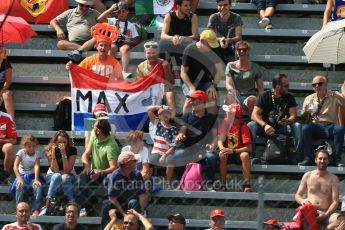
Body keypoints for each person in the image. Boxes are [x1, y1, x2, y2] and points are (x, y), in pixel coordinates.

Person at [248, 74, 301, 159]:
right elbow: (254, 115)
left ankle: (299, 157)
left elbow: (293, 116)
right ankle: (250, 156)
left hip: (282, 127)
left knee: (297, 126)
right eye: (286, 86)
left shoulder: (289, 97)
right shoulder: (265, 95)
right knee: (251, 125)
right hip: (265, 127)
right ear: (277, 87)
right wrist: (264, 125)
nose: (288, 87)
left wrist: (287, 121)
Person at [298, 75, 345, 166]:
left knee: (340, 129)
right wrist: (307, 111)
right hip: (316, 126)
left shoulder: (334, 95)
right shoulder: (309, 98)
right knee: (305, 128)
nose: (316, 86)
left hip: (331, 125)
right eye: (314, 84)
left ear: (326, 84)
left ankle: (336, 159)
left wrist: (338, 96)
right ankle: (308, 158)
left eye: (319, 84)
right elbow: (303, 119)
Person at [174, 90, 218, 185]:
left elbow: (215, 137)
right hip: (188, 149)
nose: (190, 101)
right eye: (190, 99)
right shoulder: (186, 116)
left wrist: (212, 146)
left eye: (194, 99)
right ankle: (179, 182)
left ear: (202, 101)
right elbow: (182, 129)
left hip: (204, 150)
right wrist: (181, 134)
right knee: (177, 155)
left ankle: (209, 184)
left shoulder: (211, 118)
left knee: (212, 157)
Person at [79, 119, 119, 216]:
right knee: (83, 177)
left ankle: (107, 209)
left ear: (98, 131)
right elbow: (85, 155)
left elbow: (113, 167)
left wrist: (100, 172)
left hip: (107, 174)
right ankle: (85, 207)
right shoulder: (94, 138)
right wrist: (87, 165)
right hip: (94, 171)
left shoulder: (111, 145)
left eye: (94, 126)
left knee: (109, 180)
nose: (92, 127)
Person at [100, 151, 147, 229]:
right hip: (117, 207)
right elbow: (112, 198)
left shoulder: (137, 174)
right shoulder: (115, 175)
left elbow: (142, 194)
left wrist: (141, 211)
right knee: (106, 203)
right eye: (134, 161)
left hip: (131, 207)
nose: (136, 162)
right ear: (128, 164)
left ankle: (139, 227)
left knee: (134, 202)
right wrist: (124, 214)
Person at [180, 29, 224, 114]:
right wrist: (191, 87)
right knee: (191, 97)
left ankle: (210, 123)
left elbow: (220, 70)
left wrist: (213, 85)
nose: (211, 47)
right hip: (190, 81)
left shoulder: (214, 49)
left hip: (206, 81)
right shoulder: (189, 49)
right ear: (202, 41)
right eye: (209, 44)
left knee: (212, 96)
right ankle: (185, 123)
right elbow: (183, 72)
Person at [295, 149, 339, 228]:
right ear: (315, 160)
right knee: (302, 221)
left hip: (326, 213)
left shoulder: (334, 178)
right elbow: (298, 195)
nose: (322, 161)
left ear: (328, 161)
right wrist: (302, 200)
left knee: (340, 221)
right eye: (320, 158)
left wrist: (326, 214)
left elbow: (335, 202)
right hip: (309, 212)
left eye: (325, 159)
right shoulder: (307, 175)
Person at [39, 130, 77, 216]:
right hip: (53, 175)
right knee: (57, 176)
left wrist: (63, 153)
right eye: (59, 142)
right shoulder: (50, 149)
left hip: (68, 175)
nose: (62, 144)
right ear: (55, 142)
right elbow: (55, 170)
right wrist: (53, 154)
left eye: (64, 142)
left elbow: (67, 170)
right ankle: (47, 204)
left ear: (68, 142)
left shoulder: (72, 150)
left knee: (65, 177)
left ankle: (72, 203)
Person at [98, 2, 139, 76]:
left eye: (123, 11)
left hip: (124, 43)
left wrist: (128, 42)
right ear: (116, 13)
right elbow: (100, 19)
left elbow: (136, 40)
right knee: (112, 47)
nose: (121, 14)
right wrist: (110, 9)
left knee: (125, 48)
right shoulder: (113, 21)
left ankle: (124, 72)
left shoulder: (131, 25)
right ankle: (109, 70)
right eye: (119, 12)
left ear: (127, 11)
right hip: (114, 42)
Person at [225, 41, 265, 117]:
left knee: (252, 100)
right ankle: (230, 124)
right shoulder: (231, 65)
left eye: (244, 49)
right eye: (239, 49)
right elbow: (228, 84)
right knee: (229, 97)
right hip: (236, 96)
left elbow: (260, 88)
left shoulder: (256, 67)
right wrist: (232, 90)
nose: (242, 51)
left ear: (248, 51)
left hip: (249, 96)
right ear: (236, 52)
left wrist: (263, 102)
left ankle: (251, 121)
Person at [136, 41, 177, 116]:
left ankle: (171, 119)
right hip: (148, 92)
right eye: (149, 53)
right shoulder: (140, 66)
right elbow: (140, 86)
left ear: (158, 52)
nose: (151, 55)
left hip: (162, 91)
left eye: (154, 53)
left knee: (170, 94)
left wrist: (166, 70)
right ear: (145, 52)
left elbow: (171, 84)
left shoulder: (164, 63)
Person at [218, 103, 252, 192]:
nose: (226, 114)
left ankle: (246, 185)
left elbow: (249, 148)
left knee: (245, 155)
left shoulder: (243, 127)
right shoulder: (225, 122)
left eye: (228, 113)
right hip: (227, 152)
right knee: (222, 155)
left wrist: (233, 151)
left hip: (237, 153)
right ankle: (223, 185)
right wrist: (222, 149)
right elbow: (220, 140)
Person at [11, 134, 44, 216]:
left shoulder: (37, 154)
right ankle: (19, 208)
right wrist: (19, 178)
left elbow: (36, 166)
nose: (32, 148)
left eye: (33, 146)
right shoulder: (21, 152)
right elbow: (15, 166)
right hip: (22, 175)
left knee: (38, 186)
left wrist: (36, 179)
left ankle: (36, 209)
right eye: (29, 146)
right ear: (24, 146)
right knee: (19, 185)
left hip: (33, 175)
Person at [160, 0, 199, 67]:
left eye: (189, 5)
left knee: (194, 44)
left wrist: (182, 38)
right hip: (173, 42)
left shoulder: (193, 16)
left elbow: (195, 36)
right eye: (186, 6)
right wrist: (173, 38)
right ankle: (162, 68)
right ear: (178, 6)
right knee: (161, 43)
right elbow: (163, 35)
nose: (189, 8)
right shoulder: (169, 16)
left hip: (186, 42)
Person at [148, 105, 178, 187]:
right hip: (157, 152)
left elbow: (173, 146)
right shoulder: (157, 124)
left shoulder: (174, 129)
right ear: (159, 116)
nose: (166, 115)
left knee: (170, 159)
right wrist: (160, 106)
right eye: (163, 113)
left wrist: (164, 155)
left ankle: (168, 183)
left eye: (168, 113)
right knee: (151, 160)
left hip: (168, 152)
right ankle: (148, 182)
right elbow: (149, 110)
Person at [0, 110, 17, 183]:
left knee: (9, 147)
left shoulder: (6, 117)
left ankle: (6, 175)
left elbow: (13, 140)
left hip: (3, 145)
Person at [0, 46, 15, 119]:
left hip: (3, 88)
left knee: (7, 94)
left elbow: (8, 82)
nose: (6, 52)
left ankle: (11, 122)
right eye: (4, 51)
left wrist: (0, 93)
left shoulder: (6, 64)